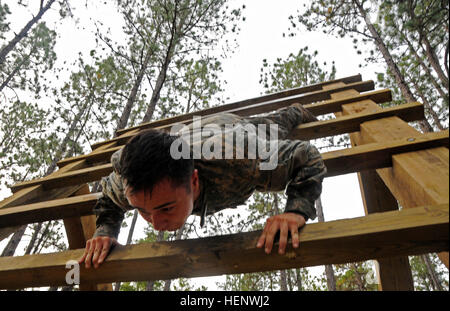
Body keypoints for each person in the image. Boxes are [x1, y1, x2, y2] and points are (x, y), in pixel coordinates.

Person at [79, 103, 326, 269]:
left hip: (231, 128)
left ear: (193, 180)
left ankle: (294, 109)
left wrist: (296, 210)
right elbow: (107, 196)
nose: (155, 224)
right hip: (194, 132)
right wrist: (105, 232)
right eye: (142, 211)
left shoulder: (241, 157)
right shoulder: (128, 183)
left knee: (278, 124)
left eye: (165, 208)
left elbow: (307, 155)